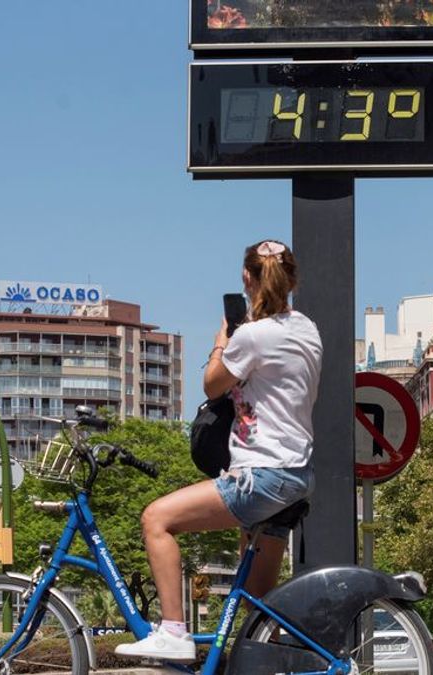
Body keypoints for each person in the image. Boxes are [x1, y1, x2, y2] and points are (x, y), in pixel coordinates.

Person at [116, 239, 323, 662]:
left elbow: (212, 384)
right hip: (296, 474)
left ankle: (173, 631)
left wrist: (220, 341)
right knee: (257, 597)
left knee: (156, 519)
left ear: (247, 278)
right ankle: (306, 659)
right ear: (292, 281)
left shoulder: (250, 337)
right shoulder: (306, 328)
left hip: (261, 476)